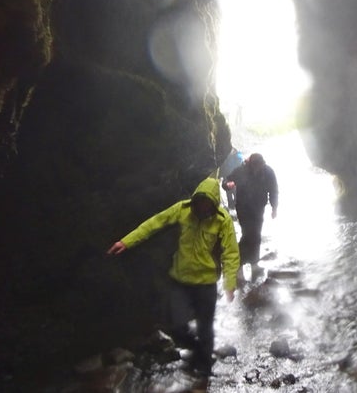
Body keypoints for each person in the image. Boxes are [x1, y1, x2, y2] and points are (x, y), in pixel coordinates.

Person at [107, 177, 239, 378]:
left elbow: (231, 253)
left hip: (206, 284)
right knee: (177, 327)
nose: (203, 207)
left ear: (214, 203)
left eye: (208, 204)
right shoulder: (182, 209)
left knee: (205, 329)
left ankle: (203, 373)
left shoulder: (223, 220)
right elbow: (155, 223)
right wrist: (127, 241)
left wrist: (230, 284)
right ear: (196, 199)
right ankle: (199, 350)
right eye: (201, 202)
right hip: (181, 281)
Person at [222, 153, 278, 278]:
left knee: (256, 235)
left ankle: (253, 264)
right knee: (248, 234)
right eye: (255, 166)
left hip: (259, 208)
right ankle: (238, 263)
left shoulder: (268, 172)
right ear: (251, 165)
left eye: (260, 165)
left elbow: (273, 190)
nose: (258, 168)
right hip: (243, 208)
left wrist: (274, 207)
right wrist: (228, 185)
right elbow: (226, 181)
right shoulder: (241, 171)